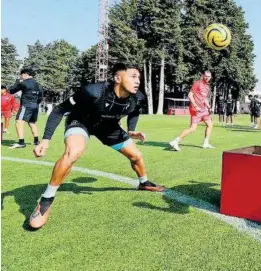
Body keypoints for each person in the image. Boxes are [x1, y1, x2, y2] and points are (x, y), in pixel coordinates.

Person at [29, 63, 164, 229]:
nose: (137, 81)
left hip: (109, 127)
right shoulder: (92, 91)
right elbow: (58, 110)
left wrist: (131, 130)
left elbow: (134, 111)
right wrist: (45, 140)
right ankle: (46, 199)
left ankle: (144, 183)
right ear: (117, 78)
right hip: (82, 122)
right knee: (74, 152)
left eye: (139, 78)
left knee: (136, 156)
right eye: (133, 76)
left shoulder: (138, 97)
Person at [169, 71, 214, 151]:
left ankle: (206, 143)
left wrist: (209, 107)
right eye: (206, 76)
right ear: (203, 75)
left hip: (204, 110)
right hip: (196, 110)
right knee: (193, 128)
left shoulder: (207, 87)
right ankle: (175, 141)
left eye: (209, 76)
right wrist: (195, 106)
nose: (207, 78)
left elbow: (204, 99)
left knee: (210, 124)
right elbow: (190, 95)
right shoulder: (197, 83)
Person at [8, 68, 43, 148]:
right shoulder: (39, 84)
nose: (21, 76)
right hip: (35, 106)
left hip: (26, 105)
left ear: (25, 74)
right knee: (32, 122)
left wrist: (17, 81)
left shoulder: (23, 83)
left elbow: (11, 91)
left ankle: (21, 143)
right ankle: (36, 141)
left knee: (18, 122)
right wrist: (35, 104)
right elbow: (40, 97)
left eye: (22, 75)